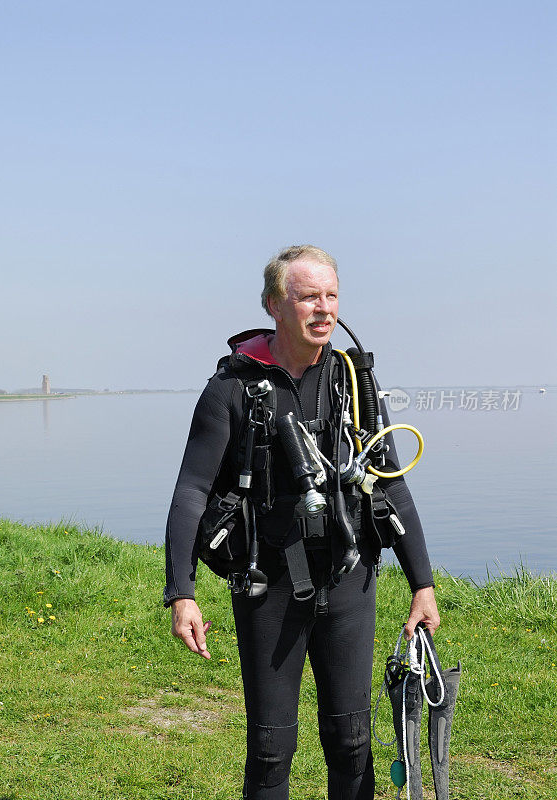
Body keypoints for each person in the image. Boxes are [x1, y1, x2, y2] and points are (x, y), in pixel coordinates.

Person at [164, 245, 440, 800]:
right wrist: (182, 591)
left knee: (351, 739)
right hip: (268, 585)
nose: (323, 309)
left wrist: (423, 584)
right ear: (274, 304)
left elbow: (391, 481)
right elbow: (192, 489)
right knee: (270, 748)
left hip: (350, 581)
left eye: (331, 296)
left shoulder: (352, 381)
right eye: (308, 296)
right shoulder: (233, 388)